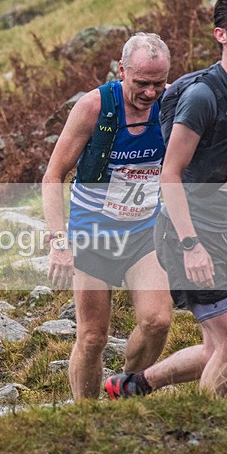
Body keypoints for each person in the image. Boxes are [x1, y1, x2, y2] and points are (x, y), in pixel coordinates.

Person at [105, 0, 227, 399]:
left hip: (225, 233)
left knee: (217, 346)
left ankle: (133, 385)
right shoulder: (203, 96)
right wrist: (192, 246)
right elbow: (169, 175)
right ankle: (214, 430)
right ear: (221, 35)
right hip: (187, 233)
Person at [42, 33, 173, 400]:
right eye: (141, 83)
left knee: (157, 322)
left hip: (145, 232)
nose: (150, 93)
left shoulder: (174, 103)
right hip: (93, 235)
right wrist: (58, 242)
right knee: (93, 336)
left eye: (158, 83)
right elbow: (53, 176)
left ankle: (125, 387)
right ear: (122, 71)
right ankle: (87, 416)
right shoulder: (94, 107)